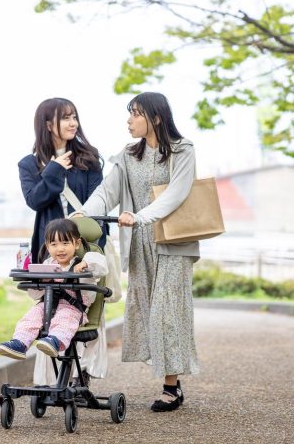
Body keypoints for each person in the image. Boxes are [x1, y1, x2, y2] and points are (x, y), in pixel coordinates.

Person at [73, 91, 200, 412]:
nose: (129, 121)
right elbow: (107, 192)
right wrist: (84, 213)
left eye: (135, 114)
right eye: (130, 114)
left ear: (155, 117)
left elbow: (177, 193)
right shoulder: (129, 155)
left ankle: (171, 387)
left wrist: (140, 216)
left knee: (167, 311)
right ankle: (170, 377)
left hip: (173, 243)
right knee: (146, 310)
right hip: (140, 243)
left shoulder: (183, 150)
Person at [18, 97, 109, 386]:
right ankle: (52, 378)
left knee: (86, 308)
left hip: (86, 247)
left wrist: (93, 248)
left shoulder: (89, 159)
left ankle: (83, 374)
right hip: (52, 251)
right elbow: (35, 201)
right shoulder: (29, 164)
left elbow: (98, 203)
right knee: (49, 309)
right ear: (48, 124)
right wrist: (54, 169)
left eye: (74, 117)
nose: (73, 123)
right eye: (66, 118)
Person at [0, 218, 108, 360]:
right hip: (47, 305)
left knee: (65, 318)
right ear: (48, 246)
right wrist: (40, 281)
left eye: (65, 243)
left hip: (73, 308)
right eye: (54, 244)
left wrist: (85, 264)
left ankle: (56, 341)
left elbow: (101, 265)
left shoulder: (85, 261)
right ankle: (20, 343)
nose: (60, 249)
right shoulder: (47, 264)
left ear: (77, 243)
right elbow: (35, 295)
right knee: (32, 316)